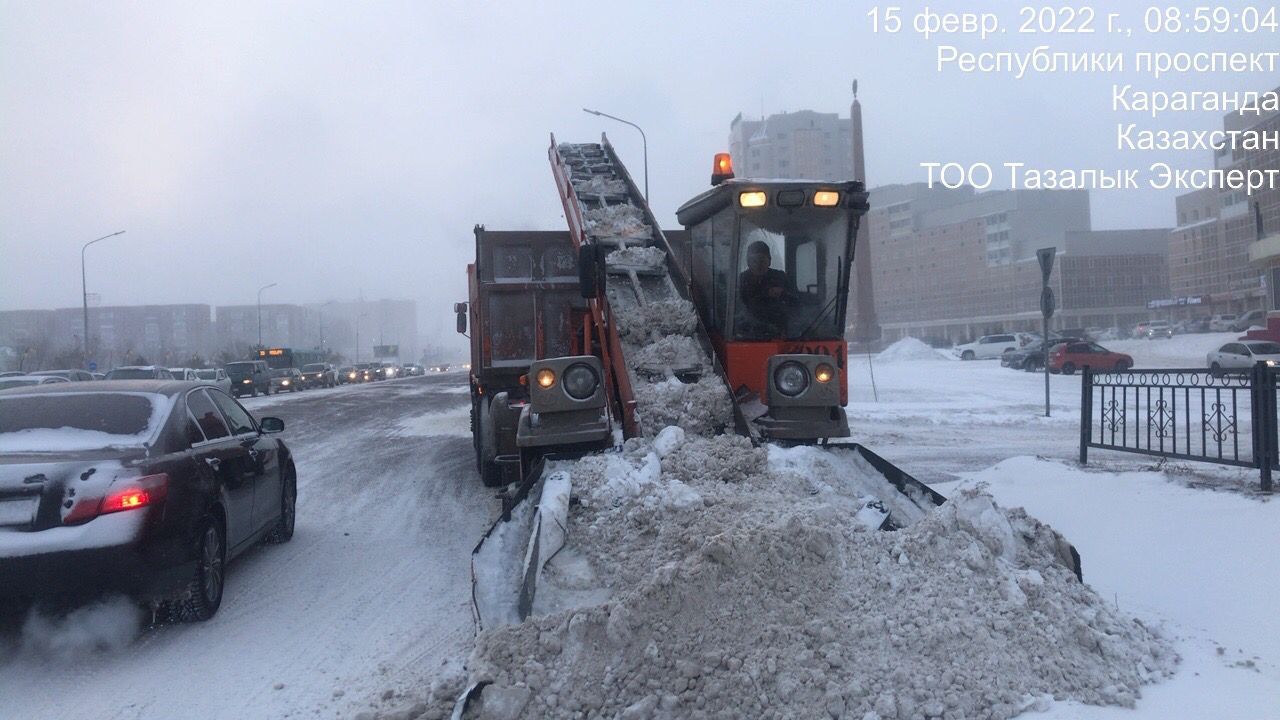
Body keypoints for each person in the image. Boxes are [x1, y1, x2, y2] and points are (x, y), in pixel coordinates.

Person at [738, 240, 789, 334]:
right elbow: (742, 303)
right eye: (754, 260)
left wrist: (782, 293)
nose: (758, 264)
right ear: (748, 263)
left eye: (762, 260)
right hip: (748, 330)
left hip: (779, 328)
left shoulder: (780, 277)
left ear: (769, 261)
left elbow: (792, 300)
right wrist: (766, 293)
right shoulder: (740, 280)